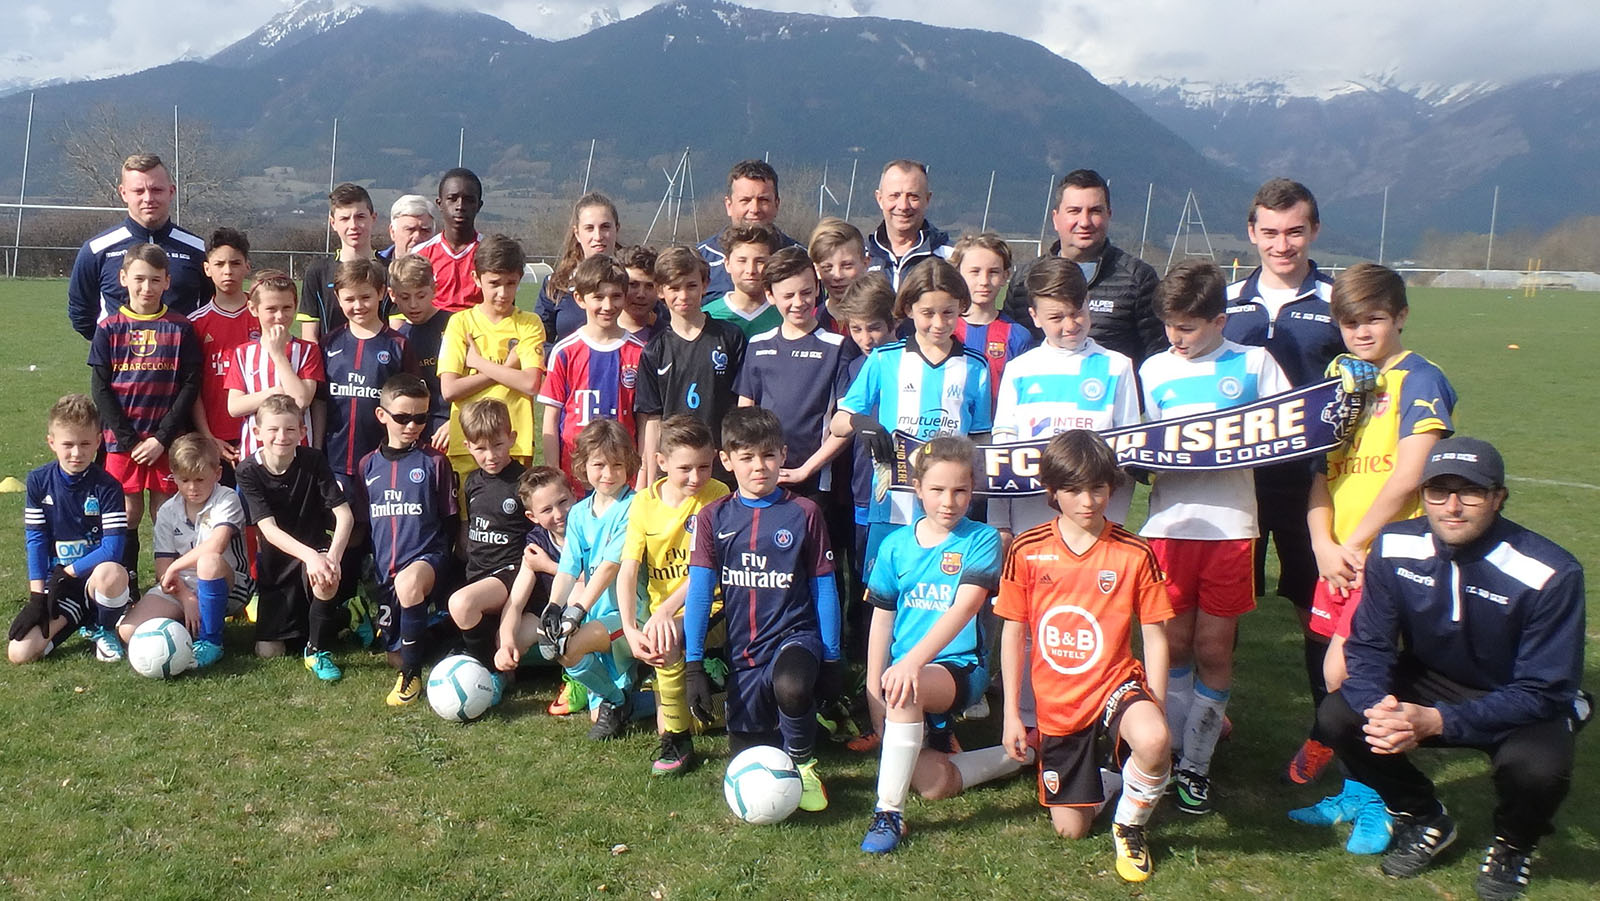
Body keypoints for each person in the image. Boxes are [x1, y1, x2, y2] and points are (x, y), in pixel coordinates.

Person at [1316, 437, 1587, 901]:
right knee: (1339, 715)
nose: (1452, 507)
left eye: (1471, 492)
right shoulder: (1394, 545)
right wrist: (1381, 708)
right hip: (1431, 680)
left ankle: (1513, 844)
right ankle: (1423, 816)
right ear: (1423, 494)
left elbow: (1544, 688)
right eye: (1438, 491)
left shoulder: (1551, 572)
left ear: (1499, 497)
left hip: (1517, 696)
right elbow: (1370, 646)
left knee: (1538, 769)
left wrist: (1439, 721)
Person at [1289, 262, 1456, 849]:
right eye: (1350, 322)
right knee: (1329, 671)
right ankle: (1357, 788)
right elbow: (1319, 475)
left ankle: (1389, 801)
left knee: (1352, 674)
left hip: (1386, 556)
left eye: (1375, 319)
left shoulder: (1420, 379)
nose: (1362, 332)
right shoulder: (1343, 385)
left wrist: (1356, 544)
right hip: (1337, 554)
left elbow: (1411, 475)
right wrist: (1322, 544)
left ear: (1401, 316)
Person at [1137, 259, 1290, 815]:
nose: (1175, 338)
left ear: (1219, 321)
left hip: (1230, 528)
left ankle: (1198, 764)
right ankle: (1176, 746)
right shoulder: (1154, 369)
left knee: (1212, 648)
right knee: (1174, 644)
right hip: (1170, 526)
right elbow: (1138, 442)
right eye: (1169, 326)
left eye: (1188, 327)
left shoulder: (1255, 364)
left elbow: (1288, 430)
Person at [997, 430, 1174, 882]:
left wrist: (1156, 703)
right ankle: (1114, 777)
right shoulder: (1027, 549)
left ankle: (1129, 827)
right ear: (1052, 491)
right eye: (1074, 490)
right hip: (1059, 702)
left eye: (1098, 488)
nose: (1088, 501)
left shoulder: (1134, 551)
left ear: (1112, 487)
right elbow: (1013, 632)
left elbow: (1155, 636)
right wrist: (1012, 715)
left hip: (1116, 684)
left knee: (1153, 740)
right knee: (1070, 830)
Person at [1221, 180, 1347, 784]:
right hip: (1236, 483)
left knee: (1315, 608)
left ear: (1314, 231)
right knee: (1222, 611)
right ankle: (1208, 718)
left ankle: (1328, 731)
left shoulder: (1338, 300)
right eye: (1269, 232)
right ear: (1252, 233)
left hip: (1312, 487)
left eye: (1295, 231)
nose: (1282, 244)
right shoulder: (1226, 302)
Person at [683, 406, 839, 812]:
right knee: (749, 753)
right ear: (726, 460)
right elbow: (699, 593)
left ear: (783, 455)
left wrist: (832, 659)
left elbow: (824, 588)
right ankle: (797, 729)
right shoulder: (712, 517)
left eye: (768, 455)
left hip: (794, 637)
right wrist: (693, 665)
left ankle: (804, 766)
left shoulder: (804, 513)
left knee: (792, 686)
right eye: (747, 457)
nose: (759, 466)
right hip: (743, 653)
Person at [858, 436, 1003, 854]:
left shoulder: (982, 539)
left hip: (960, 667)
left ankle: (889, 813)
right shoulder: (894, 545)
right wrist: (872, 691)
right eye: (937, 489)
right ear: (918, 488)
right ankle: (1014, 755)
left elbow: (965, 607)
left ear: (972, 491)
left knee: (908, 687)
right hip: (905, 673)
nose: (949, 501)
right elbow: (882, 620)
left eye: (960, 490)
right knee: (934, 784)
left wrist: (909, 665)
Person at [831, 260, 992, 582]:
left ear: (961, 307)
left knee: (941, 591)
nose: (938, 323)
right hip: (893, 504)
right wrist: (861, 422)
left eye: (948, 312)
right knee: (883, 593)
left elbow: (982, 440)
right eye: (927, 313)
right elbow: (838, 422)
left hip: (949, 508)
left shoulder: (975, 366)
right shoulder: (885, 359)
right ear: (908, 309)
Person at [989, 257, 1140, 540]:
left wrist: (1114, 524)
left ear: (1088, 303)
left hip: (1094, 529)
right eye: (1056, 318)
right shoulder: (1020, 369)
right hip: (1030, 527)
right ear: (1035, 316)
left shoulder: (1117, 366)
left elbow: (1126, 458)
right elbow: (1002, 456)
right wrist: (1000, 523)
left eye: (1077, 312)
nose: (1070, 324)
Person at [616, 415, 731, 774]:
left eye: (704, 467)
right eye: (685, 469)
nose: (696, 477)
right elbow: (628, 570)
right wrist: (630, 628)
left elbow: (708, 569)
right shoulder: (643, 503)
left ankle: (678, 741)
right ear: (661, 462)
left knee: (663, 638)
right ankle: (700, 712)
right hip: (663, 613)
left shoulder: (718, 496)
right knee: (658, 641)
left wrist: (665, 611)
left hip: (713, 604)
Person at [88, 244, 202, 585]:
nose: (146, 287)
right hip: (123, 442)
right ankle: (126, 584)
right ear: (124, 278)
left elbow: (190, 385)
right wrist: (129, 440)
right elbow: (100, 389)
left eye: (155, 279)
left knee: (165, 513)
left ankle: (171, 583)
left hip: (166, 441)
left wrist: (161, 438)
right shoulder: (109, 328)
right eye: (139, 279)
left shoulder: (180, 328)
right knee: (127, 513)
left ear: (167, 281)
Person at [525, 419, 640, 736]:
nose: (608, 473)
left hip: (627, 614)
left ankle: (624, 699)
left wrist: (575, 612)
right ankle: (620, 700)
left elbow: (609, 567)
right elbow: (568, 568)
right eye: (599, 465)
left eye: (617, 465)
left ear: (629, 464)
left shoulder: (635, 507)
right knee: (563, 650)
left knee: (570, 646)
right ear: (583, 466)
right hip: (593, 612)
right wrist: (553, 607)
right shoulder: (578, 513)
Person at [353, 374, 457, 706]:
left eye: (421, 418)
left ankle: (411, 678)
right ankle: (441, 631)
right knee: (395, 655)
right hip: (386, 571)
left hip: (427, 561)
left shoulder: (435, 462)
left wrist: (445, 568)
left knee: (410, 583)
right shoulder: (367, 466)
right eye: (402, 418)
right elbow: (364, 524)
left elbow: (450, 521)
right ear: (382, 415)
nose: (412, 425)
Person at [234, 394, 354, 678]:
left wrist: (332, 557)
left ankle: (317, 652)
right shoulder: (247, 470)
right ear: (257, 432)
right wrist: (310, 556)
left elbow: (345, 515)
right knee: (269, 651)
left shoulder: (314, 460)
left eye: (290, 429)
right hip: (277, 565)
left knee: (324, 576)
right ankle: (346, 614)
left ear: (302, 431)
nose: (282, 437)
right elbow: (269, 530)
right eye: (273, 429)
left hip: (316, 553)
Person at [8, 394, 130, 664]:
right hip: (61, 587)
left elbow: (113, 549)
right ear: (52, 442)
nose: (77, 453)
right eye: (68, 444)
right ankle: (78, 617)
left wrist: (67, 572)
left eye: (85, 444)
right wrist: (37, 597)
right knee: (19, 653)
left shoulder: (108, 487)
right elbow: (36, 540)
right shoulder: (38, 481)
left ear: (98, 441)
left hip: (93, 580)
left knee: (112, 573)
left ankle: (103, 627)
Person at [116, 433, 251, 669]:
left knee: (208, 561)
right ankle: (188, 627)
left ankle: (211, 641)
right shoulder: (168, 511)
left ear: (217, 474)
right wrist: (186, 598)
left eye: (200, 479)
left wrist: (176, 567)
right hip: (182, 587)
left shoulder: (226, 498)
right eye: (185, 480)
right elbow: (163, 571)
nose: (192, 488)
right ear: (174, 477)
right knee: (128, 632)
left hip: (230, 584)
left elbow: (216, 546)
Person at [1005, 169, 1164, 367]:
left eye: (1095, 211)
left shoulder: (1138, 279)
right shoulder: (1024, 281)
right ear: (1055, 218)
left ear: (1108, 215)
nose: (1085, 222)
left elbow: (1157, 359)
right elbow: (1008, 347)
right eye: (1074, 211)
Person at [734, 246, 857, 498]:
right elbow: (744, 415)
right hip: (764, 478)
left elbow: (847, 421)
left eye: (806, 292)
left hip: (815, 481)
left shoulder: (837, 347)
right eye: (788, 295)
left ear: (817, 289)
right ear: (770, 295)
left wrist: (805, 470)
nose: (799, 303)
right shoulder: (758, 345)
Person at [826, 274, 898, 656]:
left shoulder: (903, 361)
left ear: (894, 321)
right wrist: (859, 422)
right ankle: (861, 651)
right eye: (857, 329)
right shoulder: (855, 366)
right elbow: (840, 422)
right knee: (863, 572)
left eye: (875, 327)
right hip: (863, 487)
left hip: (909, 488)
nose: (866, 338)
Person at [635, 246, 747, 483]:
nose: (684, 295)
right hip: (675, 469)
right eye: (674, 288)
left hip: (722, 466)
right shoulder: (654, 350)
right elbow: (652, 419)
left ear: (705, 285)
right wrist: (650, 479)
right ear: (660, 290)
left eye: (691, 286)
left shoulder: (730, 337)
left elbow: (743, 406)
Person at [437, 234, 545, 479]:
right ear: (476, 278)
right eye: (494, 283)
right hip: (468, 445)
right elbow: (450, 389)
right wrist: (507, 368)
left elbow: (530, 384)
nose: (503, 292)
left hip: (513, 444)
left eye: (511, 283)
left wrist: (478, 363)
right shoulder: (460, 323)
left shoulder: (529, 324)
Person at [68, 153, 209, 339]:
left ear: (171, 192)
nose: (148, 198)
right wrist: (112, 346)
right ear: (123, 193)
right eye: (139, 191)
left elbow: (212, 309)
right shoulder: (96, 250)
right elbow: (81, 313)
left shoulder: (198, 250)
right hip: (119, 358)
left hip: (182, 357)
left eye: (156, 190)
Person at [538, 255, 645, 490]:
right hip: (574, 477)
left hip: (623, 476)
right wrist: (554, 473)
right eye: (598, 297)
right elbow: (551, 418)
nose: (608, 306)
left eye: (616, 296)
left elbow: (645, 421)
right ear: (580, 299)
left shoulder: (640, 352)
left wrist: (643, 478)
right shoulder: (564, 352)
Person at [445, 398, 527, 697]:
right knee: (458, 606)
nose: (490, 456)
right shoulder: (472, 482)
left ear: (512, 439)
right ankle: (484, 658)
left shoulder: (524, 482)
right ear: (467, 446)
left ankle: (494, 672)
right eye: (480, 448)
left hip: (511, 574)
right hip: (478, 573)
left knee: (461, 604)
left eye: (498, 445)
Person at [320, 260, 418, 484]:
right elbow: (320, 401)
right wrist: (317, 448)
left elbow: (413, 404)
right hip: (336, 460)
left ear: (381, 293)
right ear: (337, 298)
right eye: (349, 299)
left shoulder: (398, 345)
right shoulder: (328, 344)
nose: (358, 306)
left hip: (385, 460)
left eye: (365, 297)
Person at [224, 272, 324, 458]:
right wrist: (274, 392)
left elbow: (301, 401)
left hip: (299, 456)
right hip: (254, 455)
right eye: (271, 309)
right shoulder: (243, 353)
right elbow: (234, 407)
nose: (280, 316)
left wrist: (278, 355)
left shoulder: (308, 350)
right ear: (253, 308)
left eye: (287, 308)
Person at [188, 228, 259, 470]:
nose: (228, 271)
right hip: (213, 438)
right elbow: (192, 387)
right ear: (207, 269)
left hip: (260, 433)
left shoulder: (264, 315)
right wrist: (208, 436)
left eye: (235, 263)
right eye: (219, 264)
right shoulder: (195, 324)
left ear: (247, 266)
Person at [696, 160, 801, 300]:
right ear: (729, 205)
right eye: (745, 200)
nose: (754, 209)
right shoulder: (699, 259)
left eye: (763, 200)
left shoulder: (801, 259)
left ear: (777, 204)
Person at [951, 233, 1032, 406]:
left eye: (993, 272)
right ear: (957, 274)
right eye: (975, 272)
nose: (984, 281)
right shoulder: (944, 329)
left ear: (1005, 276)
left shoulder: (1018, 335)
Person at [299, 183, 384, 342]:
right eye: (344, 219)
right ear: (333, 223)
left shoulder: (389, 270)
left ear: (373, 218)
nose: (353, 226)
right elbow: (310, 337)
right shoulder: (318, 271)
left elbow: (397, 335)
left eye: (360, 217)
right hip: (329, 358)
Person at [536, 192, 621, 346]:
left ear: (617, 228)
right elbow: (538, 340)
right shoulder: (556, 284)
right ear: (577, 233)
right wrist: (566, 357)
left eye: (605, 227)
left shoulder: (635, 283)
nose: (598, 236)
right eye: (589, 228)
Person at [387, 254, 452, 451]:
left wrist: (458, 419)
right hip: (417, 430)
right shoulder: (397, 339)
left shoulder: (455, 325)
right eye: (405, 297)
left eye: (421, 296)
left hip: (456, 425)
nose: (413, 304)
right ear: (392, 295)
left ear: (434, 289)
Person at [865, 160, 954, 290]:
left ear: (927, 199)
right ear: (880, 199)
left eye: (913, 197)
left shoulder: (951, 258)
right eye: (894, 196)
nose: (903, 206)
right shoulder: (860, 258)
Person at [413, 168, 486, 312]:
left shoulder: (491, 253)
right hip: (432, 325)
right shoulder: (420, 255)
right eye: (452, 199)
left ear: (479, 206)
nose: (460, 206)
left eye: (469, 200)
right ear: (439, 204)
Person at [702, 224, 782, 339]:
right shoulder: (707, 316)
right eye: (742, 261)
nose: (751, 270)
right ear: (727, 264)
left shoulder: (785, 315)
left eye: (760, 261)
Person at [809, 217, 871, 307]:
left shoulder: (883, 313)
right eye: (827, 268)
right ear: (817, 270)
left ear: (865, 264)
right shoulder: (813, 315)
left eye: (847, 266)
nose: (837, 276)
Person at [617, 244, 668, 344]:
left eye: (650, 286)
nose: (641, 294)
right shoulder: (597, 333)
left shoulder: (670, 337)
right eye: (633, 284)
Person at [379, 193, 437, 262]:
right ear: (393, 232)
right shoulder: (375, 266)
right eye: (410, 230)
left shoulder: (445, 266)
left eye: (425, 230)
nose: (417, 237)